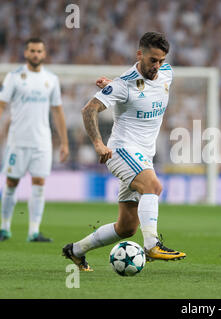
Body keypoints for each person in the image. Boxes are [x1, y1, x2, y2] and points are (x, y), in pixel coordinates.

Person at [62, 32, 186, 271]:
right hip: (121, 151)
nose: (157, 66)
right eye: (152, 60)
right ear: (139, 54)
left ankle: (75, 250)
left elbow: (142, 93)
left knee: (127, 227)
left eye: (161, 60)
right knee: (154, 187)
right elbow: (89, 110)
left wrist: (113, 87)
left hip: (144, 156)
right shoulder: (123, 84)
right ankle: (151, 245)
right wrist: (98, 144)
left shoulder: (167, 72)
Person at [0, 38, 69, 242]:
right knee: (11, 182)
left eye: (39, 51)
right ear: (26, 53)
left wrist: (64, 142)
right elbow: (2, 105)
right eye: (32, 50)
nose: (36, 54)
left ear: (44, 54)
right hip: (17, 141)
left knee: (39, 183)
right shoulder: (14, 77)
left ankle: (34, 231)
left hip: (42, 142)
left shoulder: (51, 79)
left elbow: (58, 111)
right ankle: (4, 228)